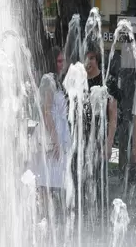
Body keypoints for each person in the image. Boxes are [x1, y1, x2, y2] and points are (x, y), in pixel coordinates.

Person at [70, 43, 119, 222]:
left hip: (99, 136)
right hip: (80, 138)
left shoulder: (107, 82)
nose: (88, 61)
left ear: (97, 60)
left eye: (91, 58)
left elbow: (113, 117)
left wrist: (109, 143)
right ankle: (80, 213)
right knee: (77, 174)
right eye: (86, 58)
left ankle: (100, 215)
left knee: (99, 176)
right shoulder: (79, 82)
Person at [32, 46, 71, 220]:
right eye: (59, 61)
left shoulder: (60, 81)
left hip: (59, 134)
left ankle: (47, 220)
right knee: (44, 182)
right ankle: (42, 219)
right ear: (52, 62)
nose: (62, 64)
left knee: (51, 181)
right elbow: (46, 112)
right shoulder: (48, 80)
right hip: (50, 136)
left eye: (64, 60)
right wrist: (55, 140)